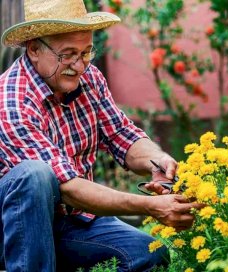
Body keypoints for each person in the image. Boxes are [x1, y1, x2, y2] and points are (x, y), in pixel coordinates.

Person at [0, 0, 202, 271]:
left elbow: (121, 134)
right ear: (35, 49)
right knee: (34, 175)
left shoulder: (89, 78)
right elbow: (68, 187)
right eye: (68, 54)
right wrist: (149, 206)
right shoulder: (11, 99)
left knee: (150, 255)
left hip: (72, 222)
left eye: (86, 52)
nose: (80, 65)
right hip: (13, 229)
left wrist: (159, 160)